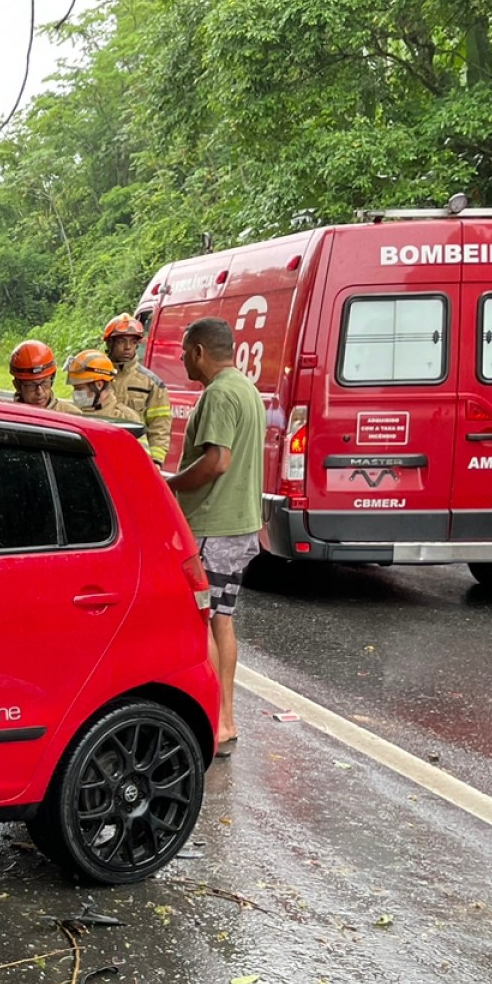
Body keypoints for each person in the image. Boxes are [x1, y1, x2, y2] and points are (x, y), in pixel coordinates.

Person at [167, 316, 264, 754]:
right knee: (222, 618)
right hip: (239, 524)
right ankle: (225, 720)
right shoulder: (246, 388)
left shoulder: (221, 394)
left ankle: (215, 720)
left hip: (212, 527)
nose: (183, 359)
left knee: (200, 620)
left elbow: (217, 461)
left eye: (186, 351)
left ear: (200, 351)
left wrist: (168, 485)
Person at [103, 314, 173, 465]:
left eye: (133, 342)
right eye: (122, 341)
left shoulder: (151, 383)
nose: (128, 347)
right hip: (100, 455)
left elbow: (159, 426)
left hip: (134, 459)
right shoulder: (95, 376)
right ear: (110, 343)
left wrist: (155, 462)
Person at [63, 350, 143, 425]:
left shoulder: (126, 419)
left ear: (99, 385)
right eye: (75, 388)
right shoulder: (71, 413)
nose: (76, 394)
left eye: (80, 388)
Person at [8, 340, 76, 412]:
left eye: (44, 383)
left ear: (52, 379)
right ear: (17, 385)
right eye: (31, 385)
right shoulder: (7, 417)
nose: (39, 392)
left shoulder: (70, 414)